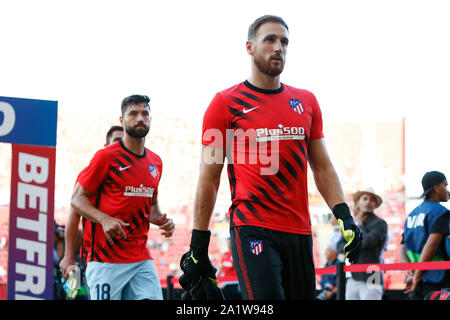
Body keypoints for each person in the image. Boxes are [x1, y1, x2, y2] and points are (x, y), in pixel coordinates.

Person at [179, 15, 363, 300]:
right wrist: (197, 244)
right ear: (250, 47)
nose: (279, 47)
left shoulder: (307, 102)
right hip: (252, 228)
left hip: (300, 231)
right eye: (270, 40)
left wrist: (345, 216)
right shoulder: (224, 104)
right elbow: (209, 177)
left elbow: (323, 167)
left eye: (284, 41)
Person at [71, 95, 175, 300]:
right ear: (122, 120)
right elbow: (77, 199)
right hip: (105, 260)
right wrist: (104, 218)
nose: (140, 118)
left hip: (140, 259)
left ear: (150, 119)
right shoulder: (105, 158)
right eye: (133, 114)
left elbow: (151, 207)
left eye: (145, 113)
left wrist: (163, 221)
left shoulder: (156, 162)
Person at [60, 125, 125, 281]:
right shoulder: (90, 174)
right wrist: (68, 256)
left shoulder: (133, 176)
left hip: (132, 258)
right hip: (99, 259)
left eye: (124, 141)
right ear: (106, 146)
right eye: (117, 141)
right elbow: (74, 217)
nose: (121, 145)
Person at [400, 171, 450, 299]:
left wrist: (411, 272)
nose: (447, 190)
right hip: (437, 279)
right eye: (445, 185)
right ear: (436, 187)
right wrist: (418, 274)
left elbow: (402, 249)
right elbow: (432, 244)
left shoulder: (411, 215)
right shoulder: (441, 212)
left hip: (413, 280)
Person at [338, 187, 387, 300]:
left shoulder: (380, 223)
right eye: (365, 198)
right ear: (357, 203)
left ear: (375, 205)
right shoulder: (351, 223)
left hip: (373, 274)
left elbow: (366, 242)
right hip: (352, 276)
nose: (368, 202)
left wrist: (358, 224)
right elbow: (340, 246)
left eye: (371, 200)